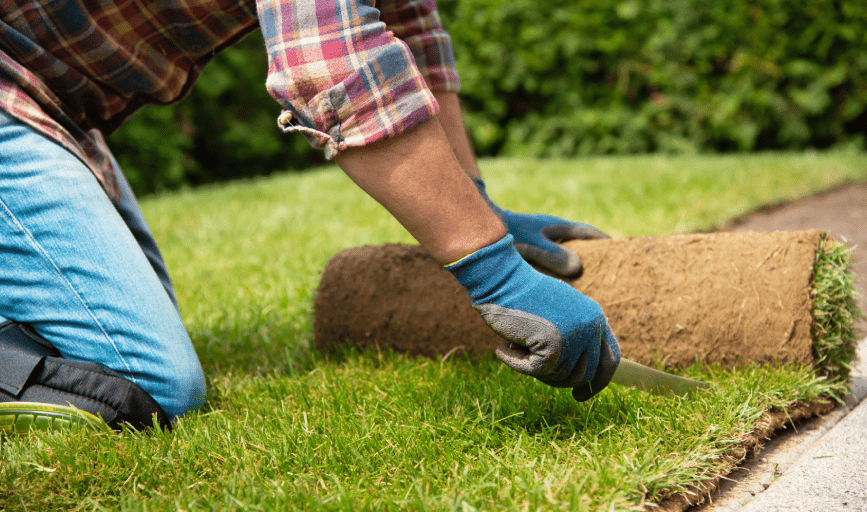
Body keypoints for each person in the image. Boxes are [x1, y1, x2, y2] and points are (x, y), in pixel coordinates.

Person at [0, 0, 619, 432]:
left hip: (52, 108)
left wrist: (478, 206)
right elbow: (330, 64)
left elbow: (409, 27)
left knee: (83, 345)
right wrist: (497, 275)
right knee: (143, 381)